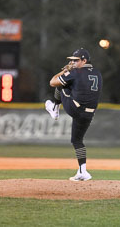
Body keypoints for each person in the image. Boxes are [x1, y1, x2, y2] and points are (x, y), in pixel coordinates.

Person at [45, 48, 102, 181]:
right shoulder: (98, 73)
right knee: (77, 141)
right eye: (72, 60)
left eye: (76, 60)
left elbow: (52, 82)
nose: (73, 63)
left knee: (61, 85)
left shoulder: (75, 72)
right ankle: (83, 171)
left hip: (75, 108)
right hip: (89, 113)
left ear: (84, 60)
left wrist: (65, 71)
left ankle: (54, 107)